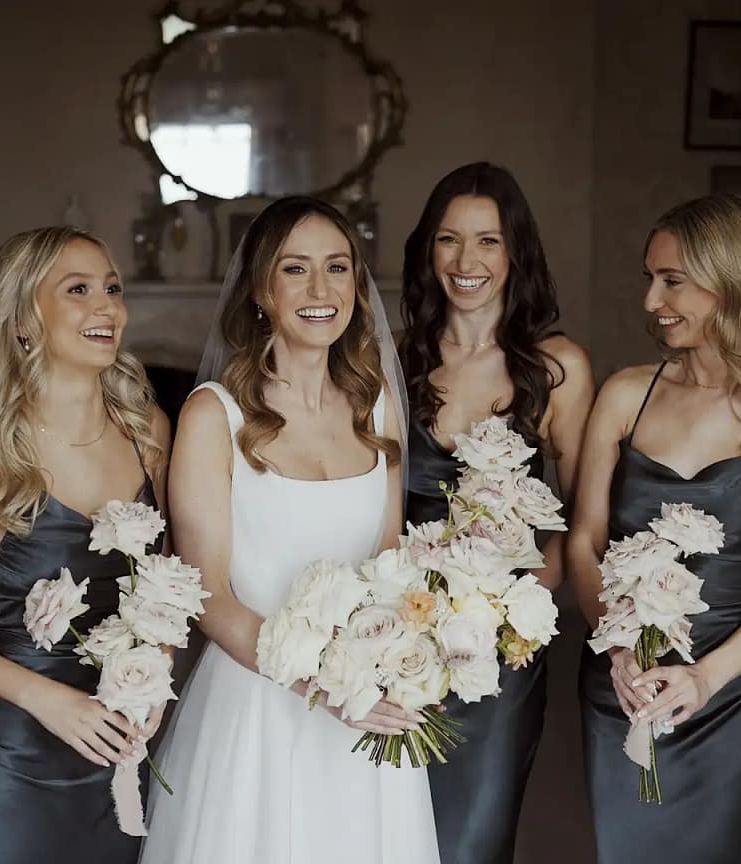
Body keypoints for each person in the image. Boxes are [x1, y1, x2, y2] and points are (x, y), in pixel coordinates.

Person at [141, 197, 439, 863]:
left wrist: (395, 662)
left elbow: (390, 557)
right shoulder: (212, 416)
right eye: (295, 270)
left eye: (337, 268)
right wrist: (328, 689)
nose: (320, 290)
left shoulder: (378, 404)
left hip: (368, 708)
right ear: (260, 291)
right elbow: (207, 593)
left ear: (358, 287)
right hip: (261, 707)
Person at [568, 194, 741, 862]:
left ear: (734, 284)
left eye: (672, 281)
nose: (650, 300)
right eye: (650, 277)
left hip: (732, 698)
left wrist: (706, 677)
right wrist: (617, 649)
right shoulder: (625, 393)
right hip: (624, 689)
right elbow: (584, 539)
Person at [0, 227, 171, 863]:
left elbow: (169, 582)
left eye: (113, 289)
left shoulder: (148, 430)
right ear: (23, 319)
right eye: (79, 290)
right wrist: (47, 699)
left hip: (126, 732)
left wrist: (156, 676)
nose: (107, 306)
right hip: (19, 740)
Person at [399, 162, 593, 863]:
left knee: (474, 835)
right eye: (449, 240)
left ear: (516, 252)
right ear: (429, 251)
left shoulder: (556, 367)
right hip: (400, 636)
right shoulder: (397, 364)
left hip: (501, 646)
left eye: (487, 240)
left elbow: (577, 516)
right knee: (391, 829)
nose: (466, 260)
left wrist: (506, 613)